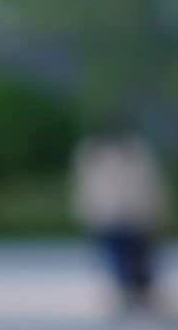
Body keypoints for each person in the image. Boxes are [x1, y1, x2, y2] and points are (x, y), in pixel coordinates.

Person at [70, 130, 167, 312]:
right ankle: (127, 292)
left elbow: (150, 186)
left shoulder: (137, 152)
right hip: (109, 217)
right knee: (117, 259)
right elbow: (86, 188)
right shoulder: (93, 154)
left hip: (137, 216)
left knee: (139, 259)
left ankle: (139, 292)